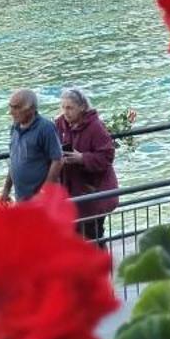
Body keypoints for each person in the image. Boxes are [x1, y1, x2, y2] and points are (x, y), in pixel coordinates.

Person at [55, 88, 119, 241]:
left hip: (92, 192)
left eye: (70, 108)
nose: (65, 112)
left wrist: (82, 158)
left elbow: (107, 156)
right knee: (74, 234)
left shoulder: (95, 127)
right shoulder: (59, 124)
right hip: (70, 191)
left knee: (93, 234)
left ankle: (102, 263)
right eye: (63, 107)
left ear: (82, 107)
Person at [1, 89, 63, 203]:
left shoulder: (46, 128)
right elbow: (14, 160)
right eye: (11, 107)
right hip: (22, 200)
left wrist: (44, 193)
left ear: (31, 109)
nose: (11, 112)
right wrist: (6, 189)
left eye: (16, 107)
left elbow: (57, 160)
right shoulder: (15, 128)